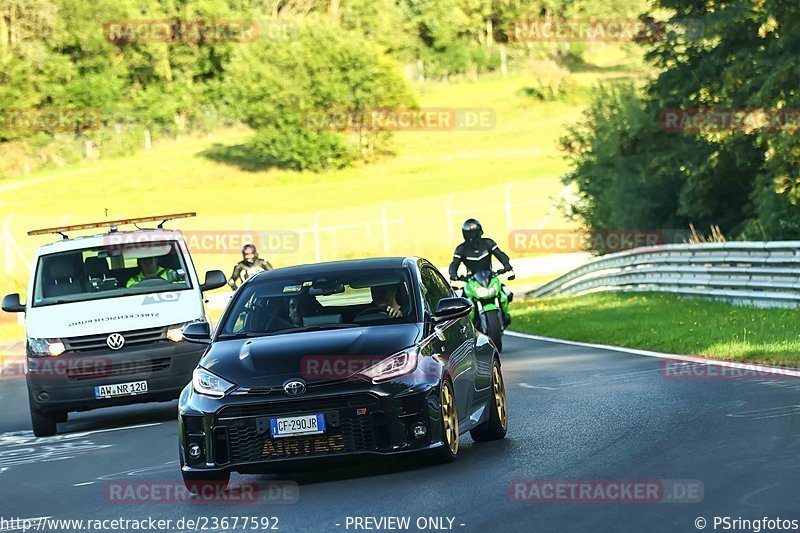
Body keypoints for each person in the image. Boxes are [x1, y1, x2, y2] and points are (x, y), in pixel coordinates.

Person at [448, 218, 514, 323]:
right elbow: (454, 264)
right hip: (471, 280)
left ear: (480, 231)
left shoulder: (488, 243)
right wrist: (453, 275)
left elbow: (501, 255)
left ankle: (505, 315)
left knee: (508, 293)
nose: (472, 236)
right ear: (465, 234)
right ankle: (466, 324)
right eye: (469, 233)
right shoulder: (461, 249)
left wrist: (507, 265)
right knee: (459, 301)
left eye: (474, 233)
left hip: (490, 277)